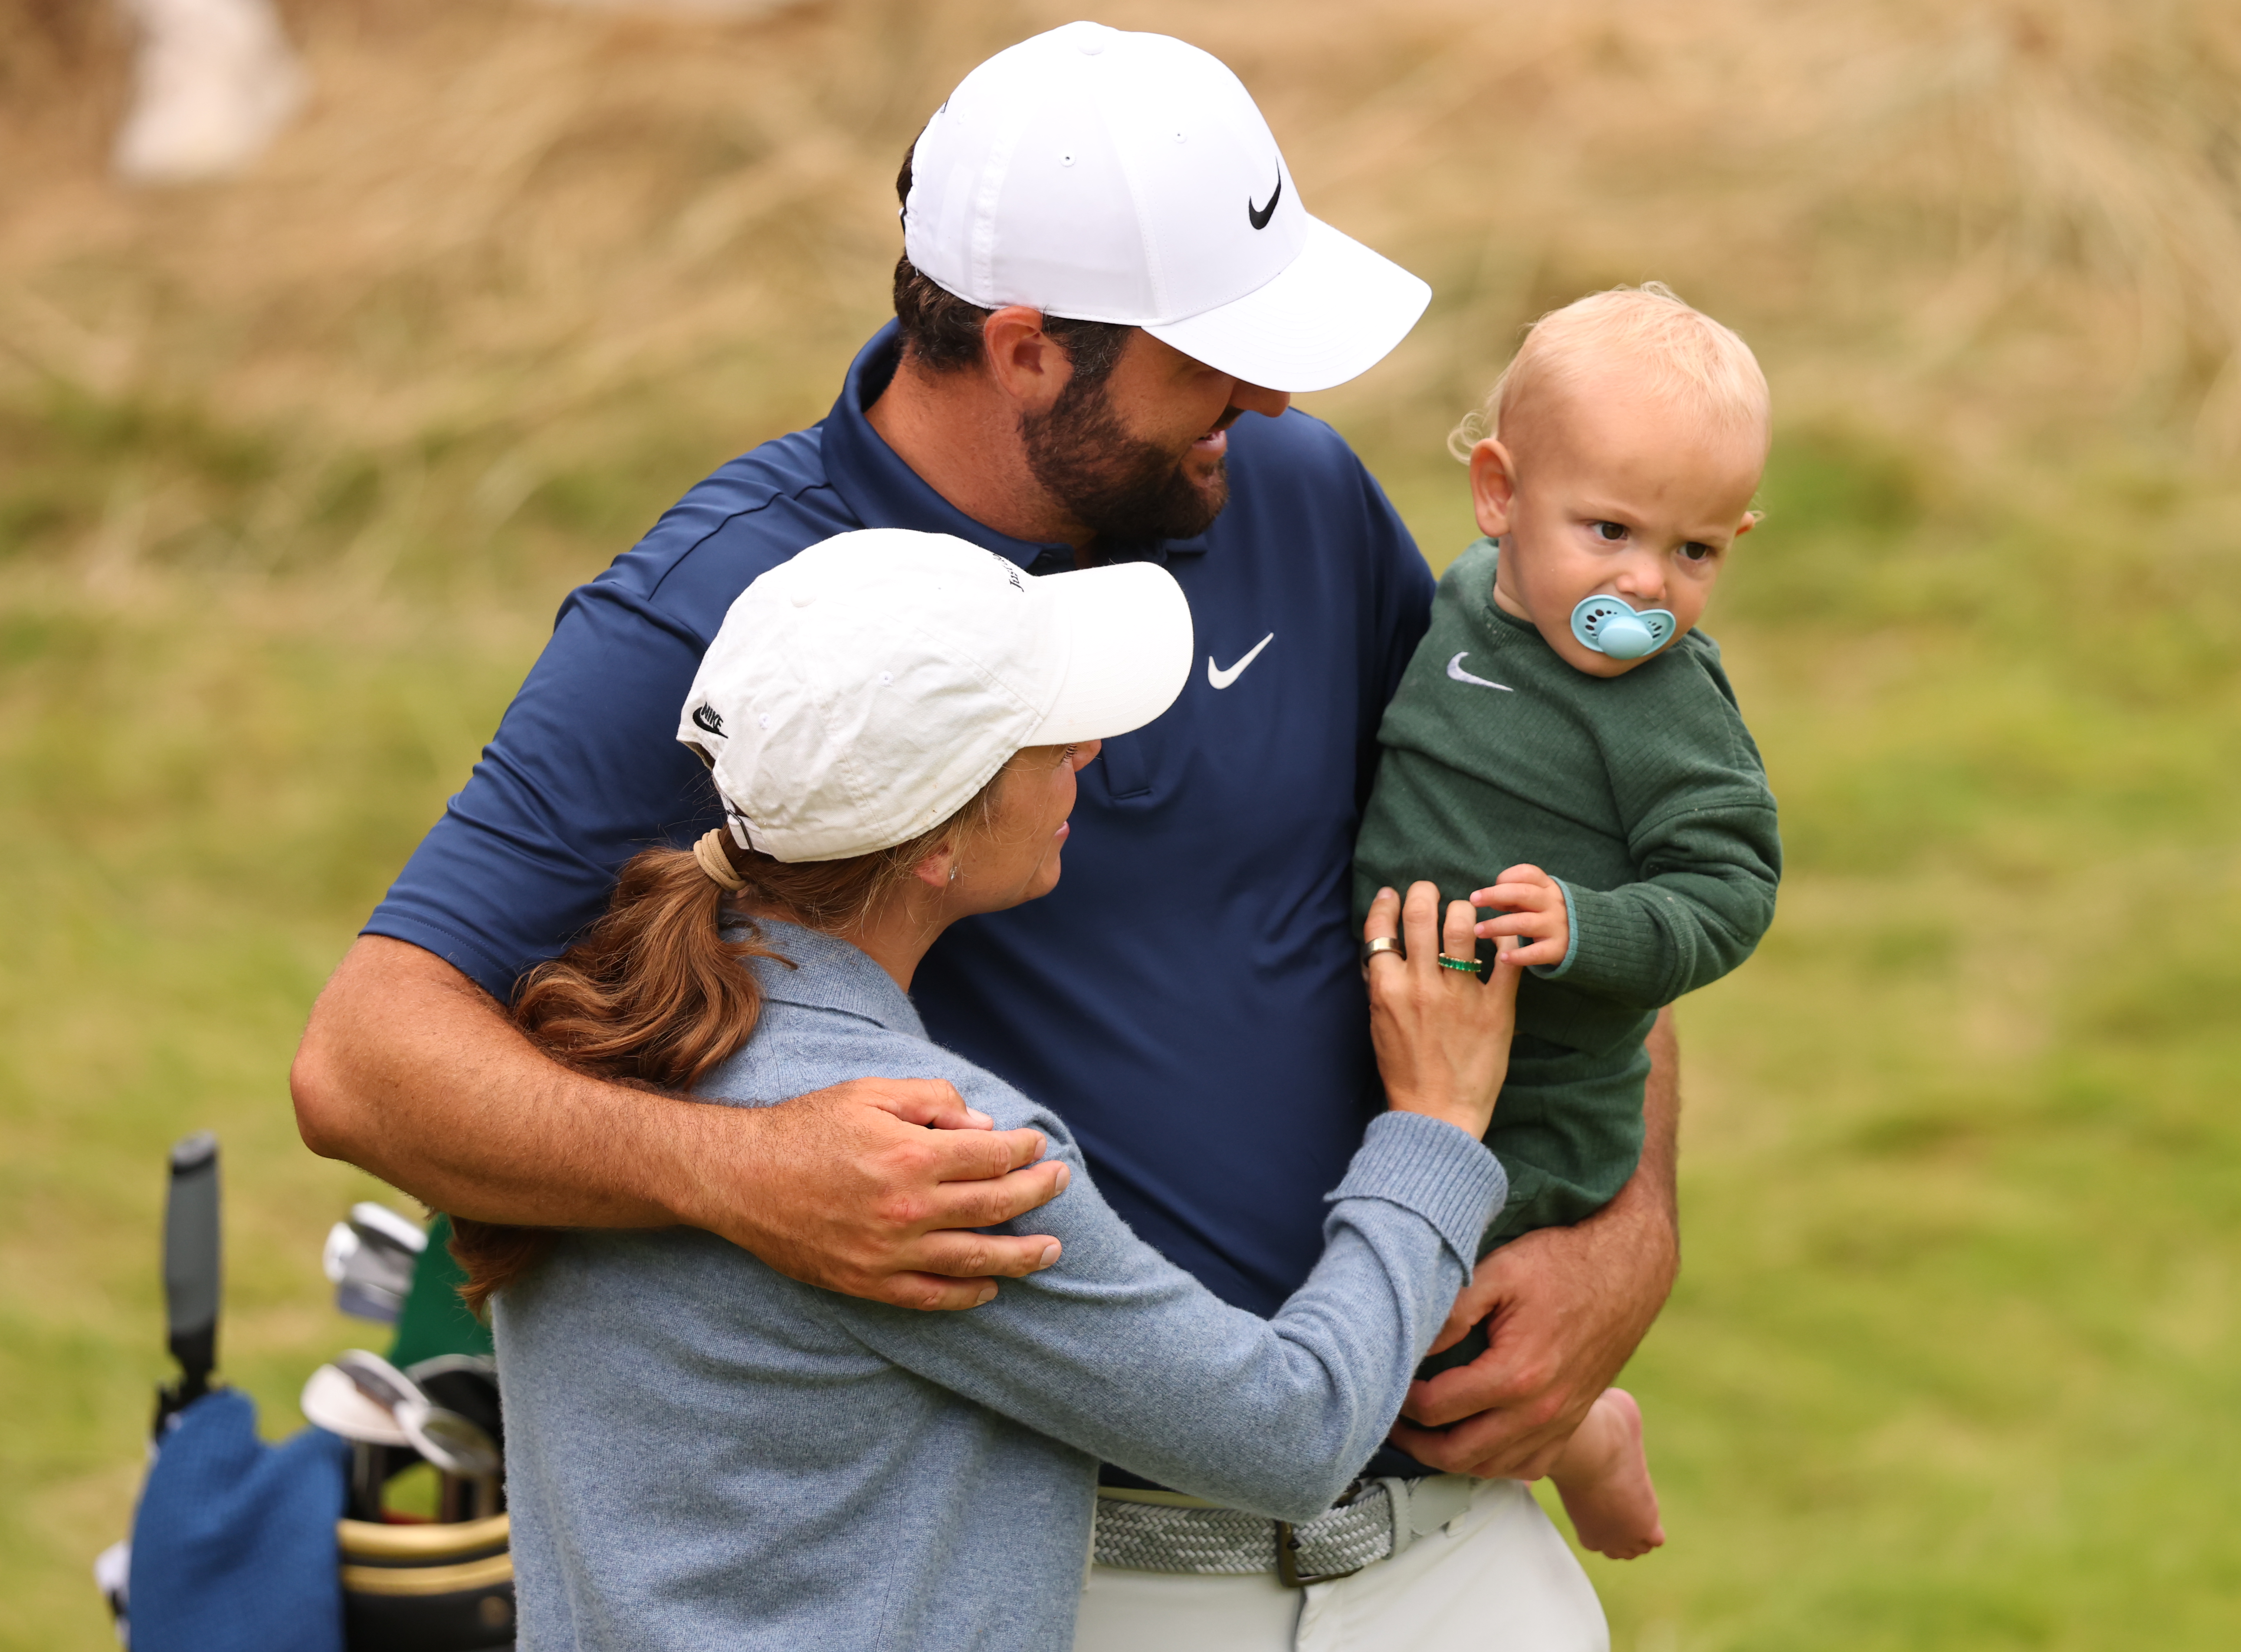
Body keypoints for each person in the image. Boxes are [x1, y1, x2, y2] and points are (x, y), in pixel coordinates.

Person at [291, 23, 1676, 1644]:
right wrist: (748, 1178)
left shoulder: (1285, 489)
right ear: (1027, 349)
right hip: (1102, 1581)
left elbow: (1559, 845)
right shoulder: (723, 602)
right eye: (1209, 354)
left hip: (1459, 1549)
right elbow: (363, 1060)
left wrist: (1624, 1235)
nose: (1275, 391)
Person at [464, 525, 1522, 1651]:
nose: (1092, 746)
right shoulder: (937, 1155)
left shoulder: (589, 1049)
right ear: (934, 844)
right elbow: (1295, 1433)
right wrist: (1435, 1124)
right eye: (1046, 738)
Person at [1352, 283, 1782, 1560]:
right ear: (1500, 495)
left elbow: (1730, 890)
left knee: (1428, 1335)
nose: (1644, 587)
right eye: (1609, 531)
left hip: (1542, 1102)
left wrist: (1588, 928)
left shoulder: (1665, 704)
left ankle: (1589, 1434)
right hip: (1408, 1046)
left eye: (1695, 552)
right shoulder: (1462, 600)